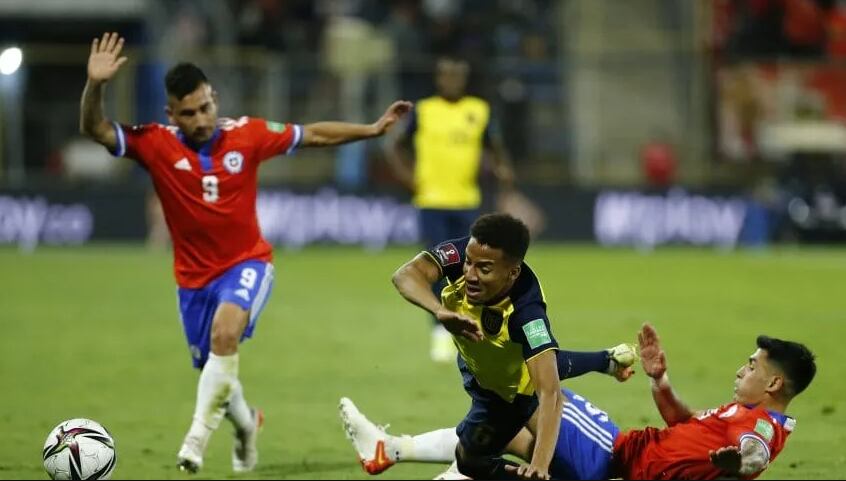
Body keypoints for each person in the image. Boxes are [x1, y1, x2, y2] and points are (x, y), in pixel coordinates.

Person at [79, 32, 412, 474]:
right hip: (193, 280)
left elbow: (311, 134)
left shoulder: (248, 134)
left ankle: (195, 438)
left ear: (213, 98)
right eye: (189, 113)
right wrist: (96, 85)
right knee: (216, 370)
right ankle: (247, 425)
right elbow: (96, 129)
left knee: (225, 335)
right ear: (171, 114)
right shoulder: (156, 144)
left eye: (206, 106)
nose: (201, 119)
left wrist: (370, 130)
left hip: (247, 263)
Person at [340, 323, 817, 480]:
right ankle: (389, 450)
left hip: (615, 464)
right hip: (620, 453)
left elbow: (754, 453)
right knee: (512, 428)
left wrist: (742, 463)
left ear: (774, 385)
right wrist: (660, 381)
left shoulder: (762, 428)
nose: (742, 369)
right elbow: (687, 423)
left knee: (527, 391)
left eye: (753, 366)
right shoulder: (741, 415)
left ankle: (389, 449)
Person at [386, 213, 638, 480]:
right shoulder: (466, 252)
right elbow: (405, 275)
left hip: (505, 393)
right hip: (484, 357)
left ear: (512, 272)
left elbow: (550, 394)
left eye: (483, 269)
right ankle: (607, 360)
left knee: (470, 461)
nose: (470, 274)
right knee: (543, 361)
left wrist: (539, 466)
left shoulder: (527, 314)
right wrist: (438, 311)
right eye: (469, 263)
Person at [386, 56, 516, 362]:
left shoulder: (478, 110)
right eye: (447, 76)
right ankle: (439, 330)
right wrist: (407, 177)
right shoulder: (424, 111)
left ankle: (475, 328)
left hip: (467, 201)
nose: (452, 81)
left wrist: (503, 169)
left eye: (458, 76)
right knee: (436, 267)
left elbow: (494, 147)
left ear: (464, 78)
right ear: (439, 78)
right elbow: (394, 146)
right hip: (431, 202)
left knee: (473, 268)